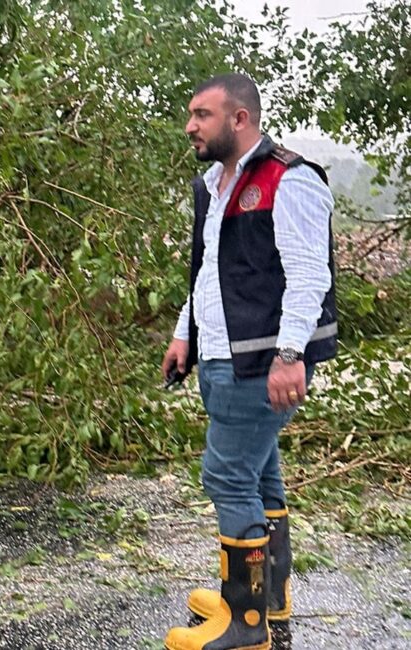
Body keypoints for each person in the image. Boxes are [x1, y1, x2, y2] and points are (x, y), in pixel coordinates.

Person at [160, 73, 337, 650]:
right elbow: (209, 274)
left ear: (239, 119)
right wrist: (183, 335)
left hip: (260, 364)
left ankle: (246, 623)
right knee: (260, 475)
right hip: (218, 357)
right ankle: (269, 599)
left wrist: (290, 356)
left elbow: (311, 277)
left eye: (201, 114)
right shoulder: (212, 184)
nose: (190, 125)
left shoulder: (289, 178)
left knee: (226, 475)